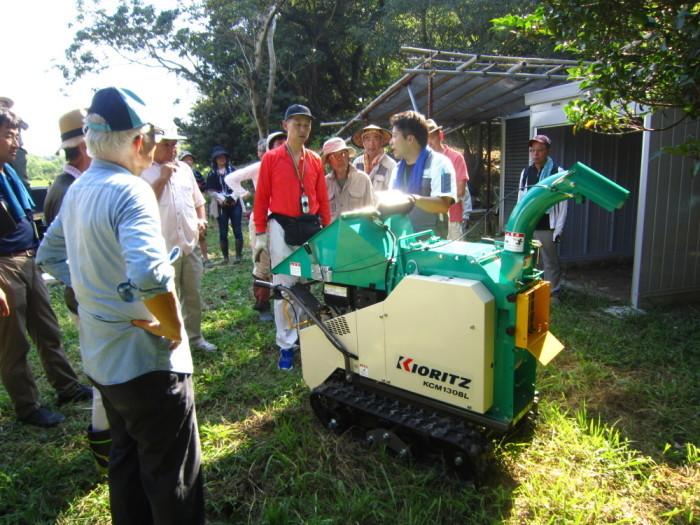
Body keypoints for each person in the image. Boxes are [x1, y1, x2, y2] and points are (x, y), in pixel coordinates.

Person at [36, 87, 204, 524]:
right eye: (150, 137)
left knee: (126, 461)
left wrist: (94, 292)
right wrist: (169, 326)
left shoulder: (79, 189)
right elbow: (148, 274)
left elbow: (48, 255)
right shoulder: (130, 192)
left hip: (104, 359)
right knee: (172, 473)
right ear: (135, 142)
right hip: (148, 364)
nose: (152, 148)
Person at [0, 107, 90, 428]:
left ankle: (66, 386)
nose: (16, 142)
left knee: (47, 329)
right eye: (9, 135)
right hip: (3, 266)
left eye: (16, 135)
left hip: (28, 258)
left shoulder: (8, 174)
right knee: (14, 342)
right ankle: (28, 406)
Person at [44, 108, 111, 470]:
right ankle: (104, 448)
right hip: (88, 300)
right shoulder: (68, 190)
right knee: (103, 377)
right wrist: (84, 282)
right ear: (85, 146)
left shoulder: (71, 186)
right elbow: (55, 254)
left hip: (89, 297)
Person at [253, 104, 331, 370]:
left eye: (306, 124)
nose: (302, 129)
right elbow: (261, 197)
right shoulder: (272, 158)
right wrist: (261, 233)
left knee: (304, 283)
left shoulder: (315, 160)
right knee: (284, 285)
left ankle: (305, 335)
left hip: (309, 226)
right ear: (285, 125)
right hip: (281, 227)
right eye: (297, 123)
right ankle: (286, 343)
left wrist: (327, 230)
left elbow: (322, 198)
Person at [141, 129, 218, 353]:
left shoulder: (185, 169)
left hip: (189, 244)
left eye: (175, 144)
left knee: (192, 294)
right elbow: (143, 203)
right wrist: (162, 177)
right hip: (163, 248)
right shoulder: (143, 171)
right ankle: (172, 340)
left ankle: (195, 338)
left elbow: (198, 201)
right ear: (153, 145)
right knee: (167, 297)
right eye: (167, 144)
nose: (173, 149)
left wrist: (202, 219)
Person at [225, 131, 286, 320]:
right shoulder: (261, 166)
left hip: (283, 220)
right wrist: (243, 193)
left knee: (281, 261)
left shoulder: (290, 167)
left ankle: (282, 301)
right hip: (261, 220)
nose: (281, 147)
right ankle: (262, 305)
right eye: (276, 144)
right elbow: (230, 178)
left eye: (283, 143)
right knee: (262, 262)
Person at [387, 111, 457, 234]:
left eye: (394, 135)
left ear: (410, 139)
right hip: (400, 243)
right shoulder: (396, 169)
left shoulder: (442, 164)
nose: (390, 142)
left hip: (431, 247)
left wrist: (412, 199)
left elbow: (444, 205)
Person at [517, 134, 567, 301]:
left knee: (550, 261)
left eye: (540, 150)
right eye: (533, 150)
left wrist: (558, 229)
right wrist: (520, 222)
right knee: (530, 259)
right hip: (530, 222)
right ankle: (534, 291)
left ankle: (553, 293)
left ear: (547, 151)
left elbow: (562, 203)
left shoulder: (557, 171)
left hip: (548, 224)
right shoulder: (526, 172)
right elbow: (521, 198)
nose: (535, 154)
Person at [426, 119, 470, 240]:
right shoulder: (423, 162)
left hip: (452, 218)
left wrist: (438, 199)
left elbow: (460, 190)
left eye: (432, 137)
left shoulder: (455, 158)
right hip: (429, 219)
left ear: (440, 136)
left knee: (455, 255)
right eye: (425, 139)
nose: (429, 142)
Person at [322, 137, 374, 220]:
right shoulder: (324, 183)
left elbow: (371, 214)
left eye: (343, 154)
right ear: (328, 161)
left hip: (357, 232)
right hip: (334, 232)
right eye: (333, 156)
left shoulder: (363, 179)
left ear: (348, 156)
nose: (339, 159)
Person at [206, 146, 243, 263]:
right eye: (219, 158)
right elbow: (210, 190)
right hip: (221, 205)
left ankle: (238, 256)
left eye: (223, 157)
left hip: (235, 203)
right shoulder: (212, 174)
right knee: (223, 231)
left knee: (237, 229)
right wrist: (220, 198)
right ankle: (226, 258)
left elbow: (239, 185)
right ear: (215, 160)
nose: (222, 159)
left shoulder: (233, 171)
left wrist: (233, 197)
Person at [179, 150, 211, 267]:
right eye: (185, 159)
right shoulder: (175, 172)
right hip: (184, 210)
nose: (188, 161)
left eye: (190, 159)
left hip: (196, 206)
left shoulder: (196, 173)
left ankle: (205, 258)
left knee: (202, 234)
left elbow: (203, 187)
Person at [351, 124, 396, 192]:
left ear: (381, 142)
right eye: (367, 139)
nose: (371, 144)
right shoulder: (357, 163)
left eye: (376, 139)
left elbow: (393, 192)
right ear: (363, 143)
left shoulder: (390, 165)